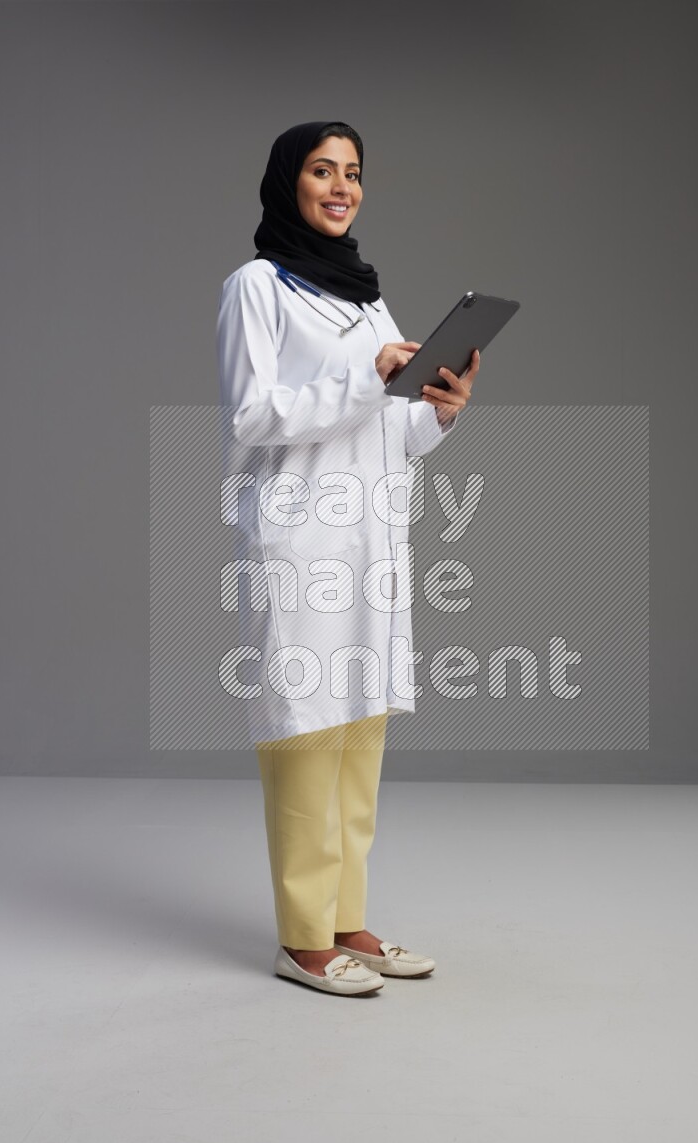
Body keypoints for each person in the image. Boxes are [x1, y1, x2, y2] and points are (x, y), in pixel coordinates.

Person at [216, 121, 479, 996]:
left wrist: (439, 409)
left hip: (371, 538)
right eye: (323, 170)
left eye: (354, 172)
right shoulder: (257, 287)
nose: (341, 186)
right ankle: (301, 936)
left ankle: (347, 918)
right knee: (303, 726)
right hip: (298, 539)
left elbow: (392, 428)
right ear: (288, 181)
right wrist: (369, 375)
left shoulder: (368, 298)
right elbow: (253, 414)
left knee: (361, 722)